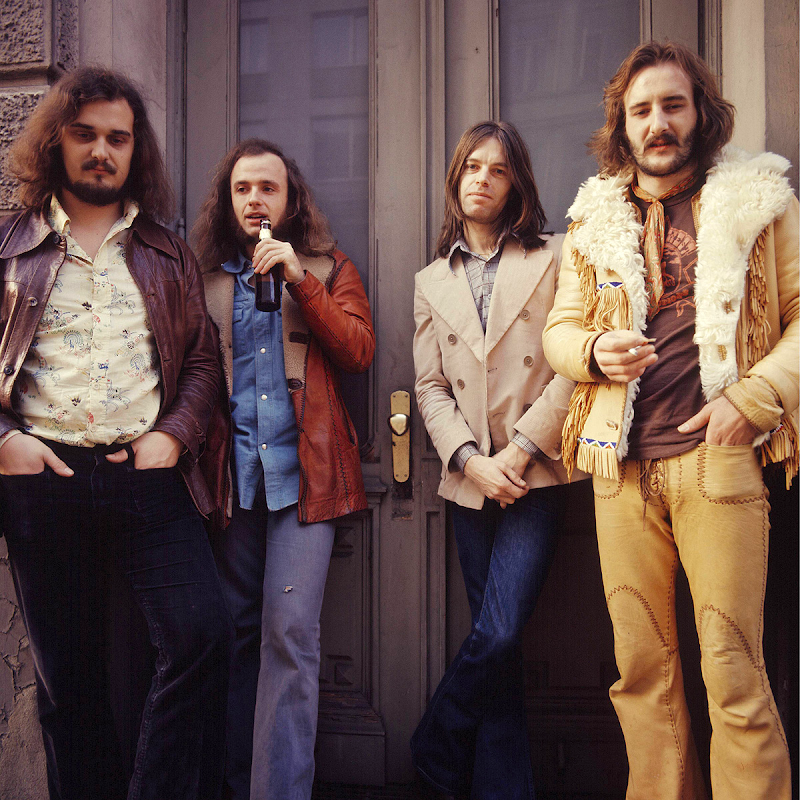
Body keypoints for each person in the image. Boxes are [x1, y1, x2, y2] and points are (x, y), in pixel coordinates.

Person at [543, 41, 797, 800]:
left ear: (700, 113)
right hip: (617, 468)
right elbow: (558, 333)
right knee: (641, 673)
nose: (657, 122)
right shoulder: (593, 220)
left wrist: (753, 400)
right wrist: (594, 351)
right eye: (641, 110)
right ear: (622, 125)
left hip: (719, 460)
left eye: (673, 105)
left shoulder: (758, 201)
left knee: (732, 669)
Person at [0, 67, 232, 800]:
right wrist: (5, 440)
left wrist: (175, 435)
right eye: (86, 134)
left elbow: (203, 360)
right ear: (57, 142)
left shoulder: (167, 250)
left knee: (202, 634)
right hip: (44, 481)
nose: (102, 151)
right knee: (69, 683)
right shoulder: (10, 244)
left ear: (136, 150)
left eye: (118, 139)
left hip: (147, 477)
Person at [192, 139, 374, 800]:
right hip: (232, 485)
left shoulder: (329, 268)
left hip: (307, 482)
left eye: (268, 188)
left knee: (290, 634)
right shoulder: (205, 280)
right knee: (236, 635)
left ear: (290, 199)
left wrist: (299, 279)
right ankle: (238, 782)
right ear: (228, 200)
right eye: (242, 188)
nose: (255, 200)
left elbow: (358, 351)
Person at [411, 121, 581, 800]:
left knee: (502, 630)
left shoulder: (555, 256)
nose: (482, 178)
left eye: (498, 169)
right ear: (456, 179)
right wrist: (468, 460)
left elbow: (571, 367)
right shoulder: (431, 280)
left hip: (535, 471)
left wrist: (519, 450)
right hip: (471, 481)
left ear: (517, 185)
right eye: (472, 167)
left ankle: (434, 743)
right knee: (497, 645)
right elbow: (430, 385)